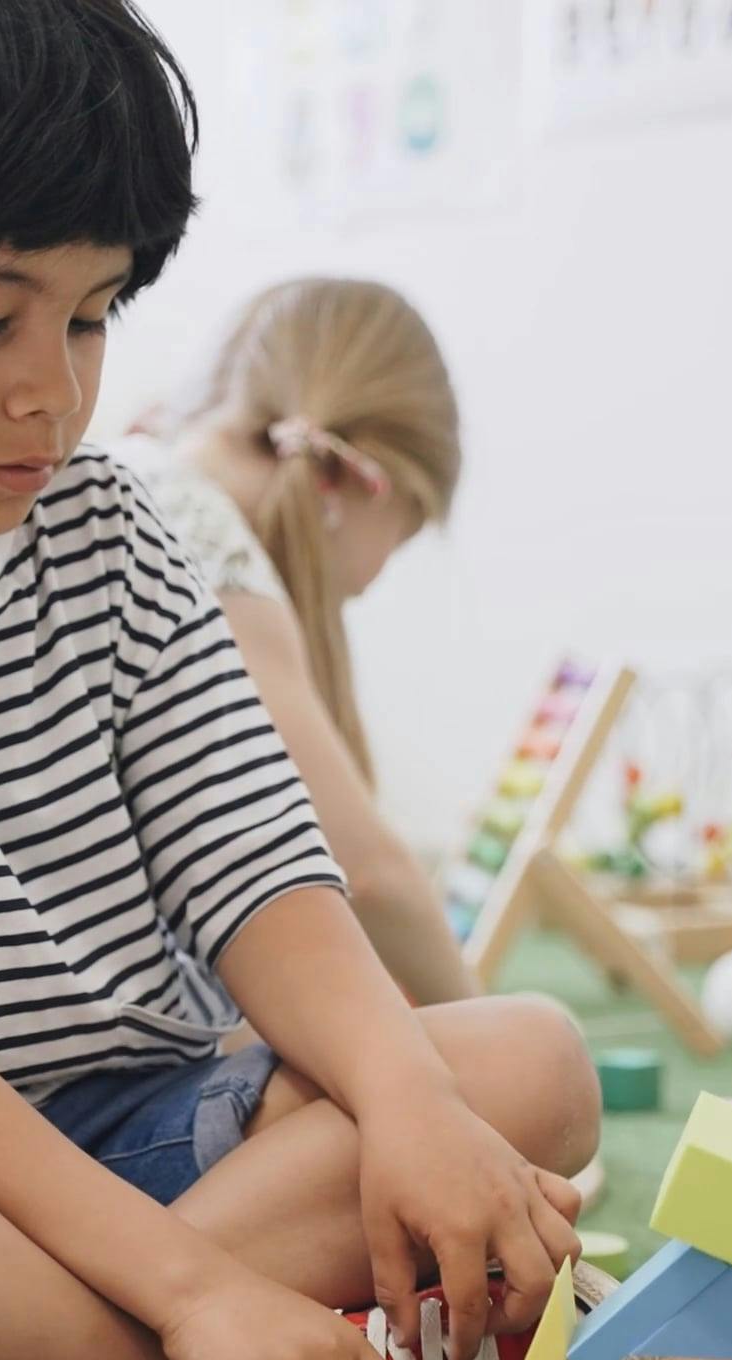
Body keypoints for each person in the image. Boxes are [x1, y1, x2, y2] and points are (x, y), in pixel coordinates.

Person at [0, 0, 650, 1360]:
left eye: (91, 317)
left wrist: (410, 1102)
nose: (53, 390)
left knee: (527, 1066)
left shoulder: (115, 536)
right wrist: (202, 1298)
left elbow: (266, 878)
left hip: (163, 1125)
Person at [120, 275, 477, 1014]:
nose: (372, 584)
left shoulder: (130, 475)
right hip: (122, 1048)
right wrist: (475, 1016)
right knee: (524, 1054)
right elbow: (367, 872)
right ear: (361, 484)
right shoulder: (207, 541)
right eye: (404, 536)